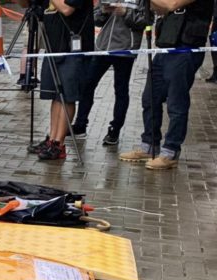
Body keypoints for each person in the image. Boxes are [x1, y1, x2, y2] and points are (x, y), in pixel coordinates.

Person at [120, 0, 213, 169]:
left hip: (185, 49)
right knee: (150, 98)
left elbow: (172, 4)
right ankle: (149, 145)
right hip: (166, 46)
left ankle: (170, 151)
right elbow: (160, 8)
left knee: (176, 103)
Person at [20, 0, 94, 160]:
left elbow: (67, 9)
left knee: (67, 96)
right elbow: (30, 6)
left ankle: (59, 144)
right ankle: (52, 139)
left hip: (73, 49)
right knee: (55, 96)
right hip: (53, 47)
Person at [69, 1, 146, 145]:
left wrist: (125, 13)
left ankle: (115, 129)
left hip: (125, 49)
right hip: (103, 47)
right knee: (87, 84)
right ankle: (80, 125)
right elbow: (96, 20)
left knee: (121, 89)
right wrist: (104, 11)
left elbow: (146, 21)